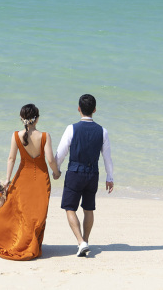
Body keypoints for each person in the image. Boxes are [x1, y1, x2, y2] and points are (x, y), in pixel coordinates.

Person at [0, 104, 62, 260]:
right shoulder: (45, 136)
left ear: (22, 119)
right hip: (41, 179)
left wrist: (7, 179)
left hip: (22, 177)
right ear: (37, 118)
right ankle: (31, 243)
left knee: (19, 211)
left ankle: (19, 240)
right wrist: (56, 172)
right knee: (37, 213)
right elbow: (50, 159)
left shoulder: (15, 136)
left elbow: (11, 158)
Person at [54, 94, 114, 257]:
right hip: (93, 174)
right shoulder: (103, 131)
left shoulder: (71, 128)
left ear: (79, 109)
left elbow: (61, 153)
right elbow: (107, 157)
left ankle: (81, 242)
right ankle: (85, 240)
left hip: (75, 172)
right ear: (94, 110)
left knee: (69, 208)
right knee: (88, 209)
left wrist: (56, 169)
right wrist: (110, 178)